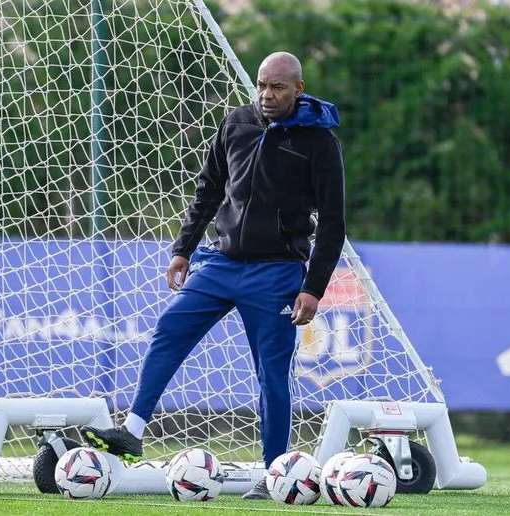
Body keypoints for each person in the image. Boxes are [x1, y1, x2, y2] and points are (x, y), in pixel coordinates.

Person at [80, 51, 346, 499]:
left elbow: (334, 224)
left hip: (276, 273)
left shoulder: (319, 143)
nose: (266, 94)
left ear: (298, 89)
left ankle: (274, 474)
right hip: (219, 263)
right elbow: (208, 190)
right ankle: (133, 430)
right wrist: (183, 249)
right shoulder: (237, 123)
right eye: (262, 84)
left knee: (271, 375)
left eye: (277, 86)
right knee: (169, 327)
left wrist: (313, 288)